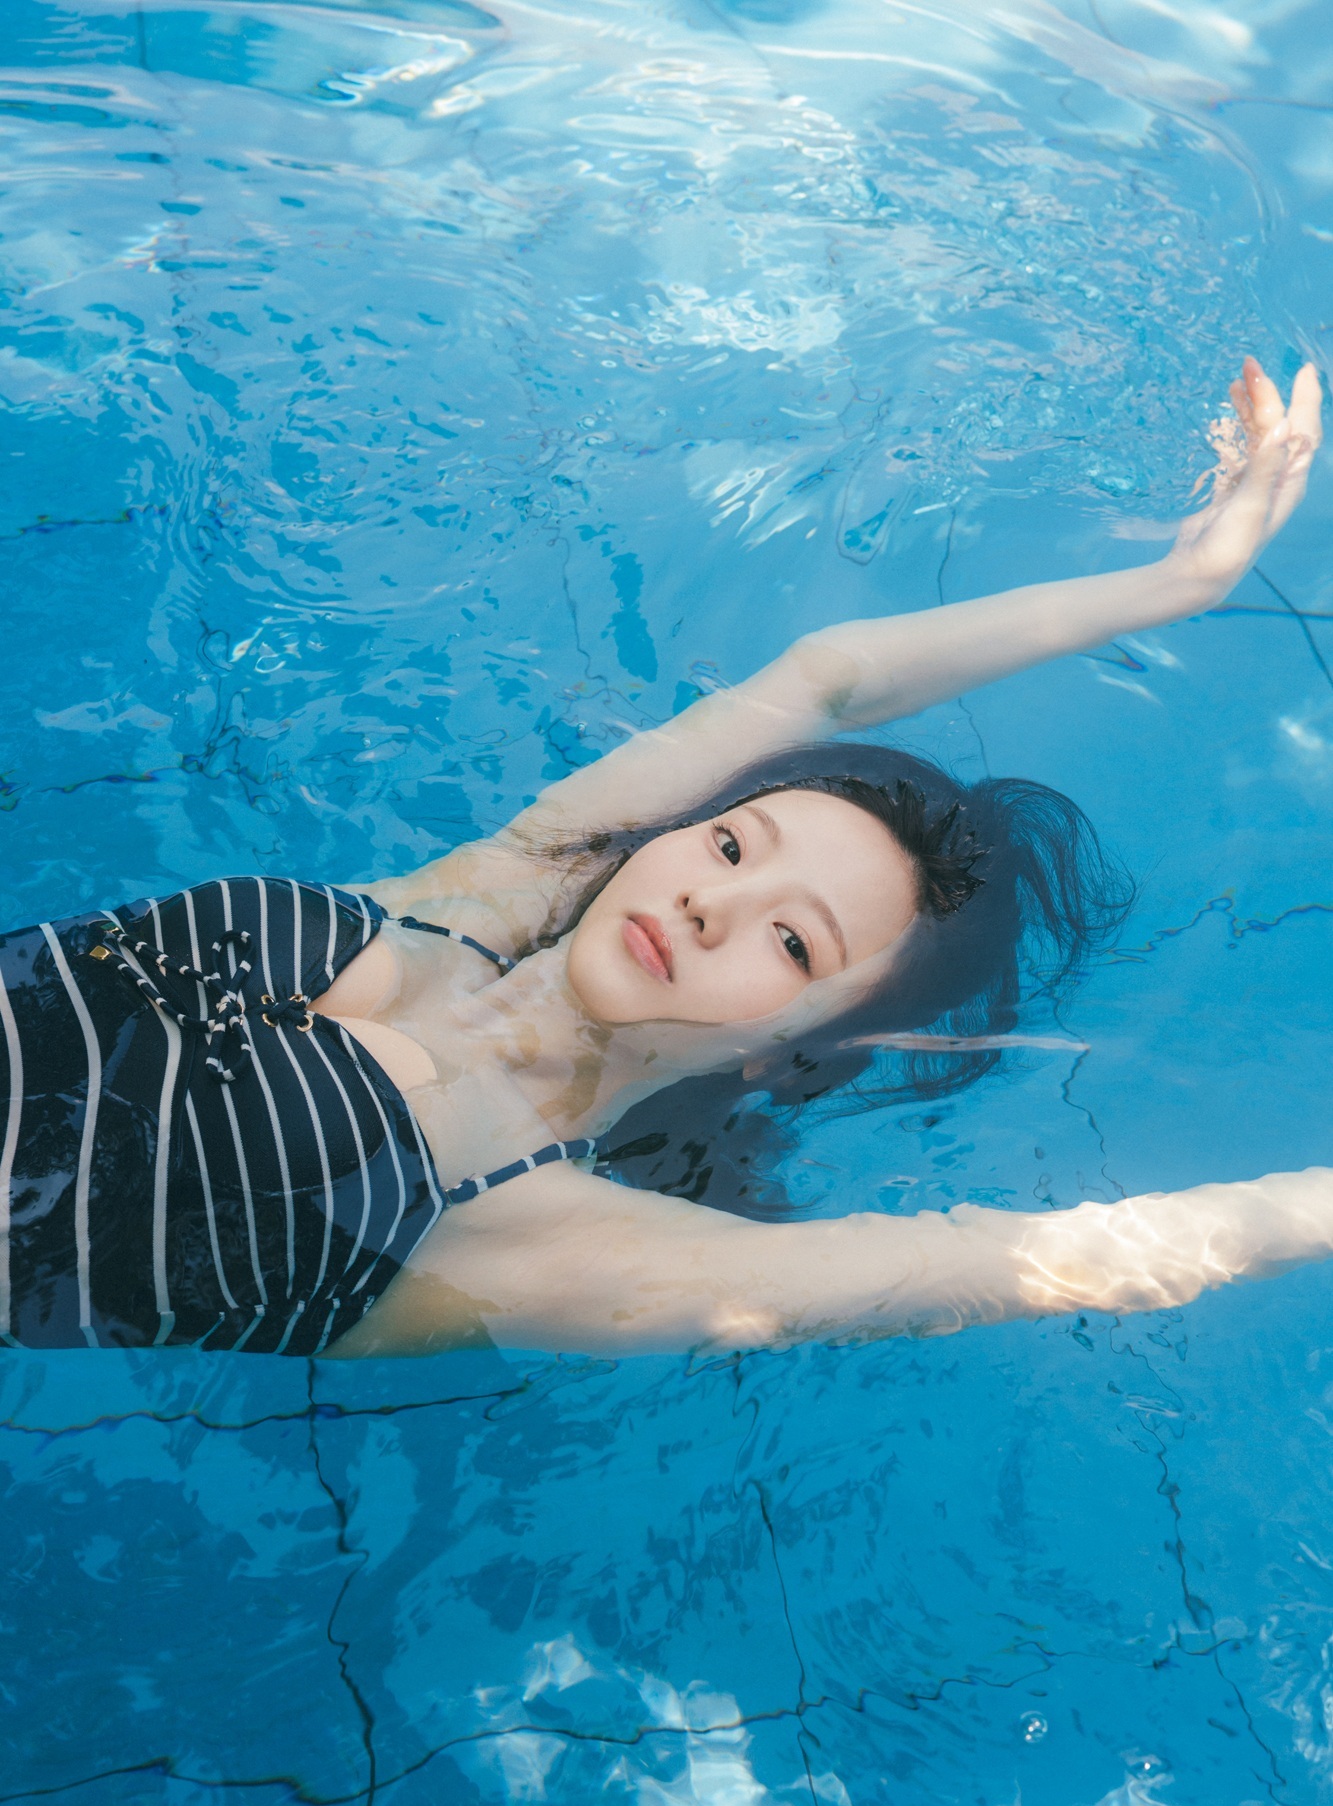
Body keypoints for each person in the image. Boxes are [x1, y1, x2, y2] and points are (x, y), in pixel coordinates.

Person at [0, 360, 1325, 1357]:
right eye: (733, 842)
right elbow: (826, 678)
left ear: (792, 1051)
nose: (710, 903)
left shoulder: (559, 1243)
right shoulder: (491, 890)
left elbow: (1026, 1259)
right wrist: (1176, 584)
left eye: (792, 942)